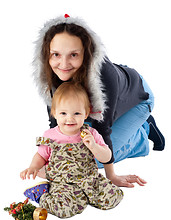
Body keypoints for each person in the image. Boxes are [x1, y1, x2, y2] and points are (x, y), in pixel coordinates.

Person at [32, 14, 165, 187]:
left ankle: (143, 130)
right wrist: (52, 159)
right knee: (77, 141)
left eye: (73, 55)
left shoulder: (103, 78)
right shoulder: (52, 72)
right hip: (100, 93)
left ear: (85, 53)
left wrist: (112, 176)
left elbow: (103, 130)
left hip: (137, 99)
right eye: (56, 54)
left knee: (94, 157)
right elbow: (57, 121)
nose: (63, 64)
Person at [20, 82, 124, 218]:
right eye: (63, 113)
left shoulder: (90, 133)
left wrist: (94, 146)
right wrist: (33, 167)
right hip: (63, 183)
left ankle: (86, 196)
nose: (70, 118)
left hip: (90, 179)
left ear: (86, 114)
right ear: (54, 113)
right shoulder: (50, 136)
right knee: (64, 210)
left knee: (114, 197)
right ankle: (41, 194)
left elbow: (106, 156)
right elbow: (41, 155)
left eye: (76, 113)